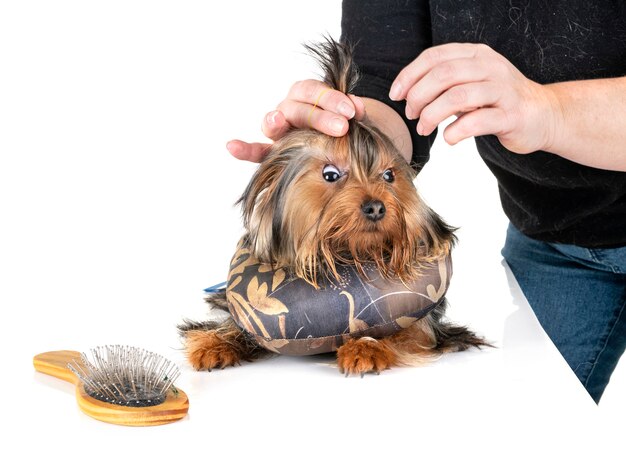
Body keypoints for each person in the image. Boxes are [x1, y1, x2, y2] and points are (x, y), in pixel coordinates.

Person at [226, 0, 626, 403]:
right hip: (554, 230)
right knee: (531, 419)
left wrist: (548, 110)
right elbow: (387, 82)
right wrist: (350, 133)